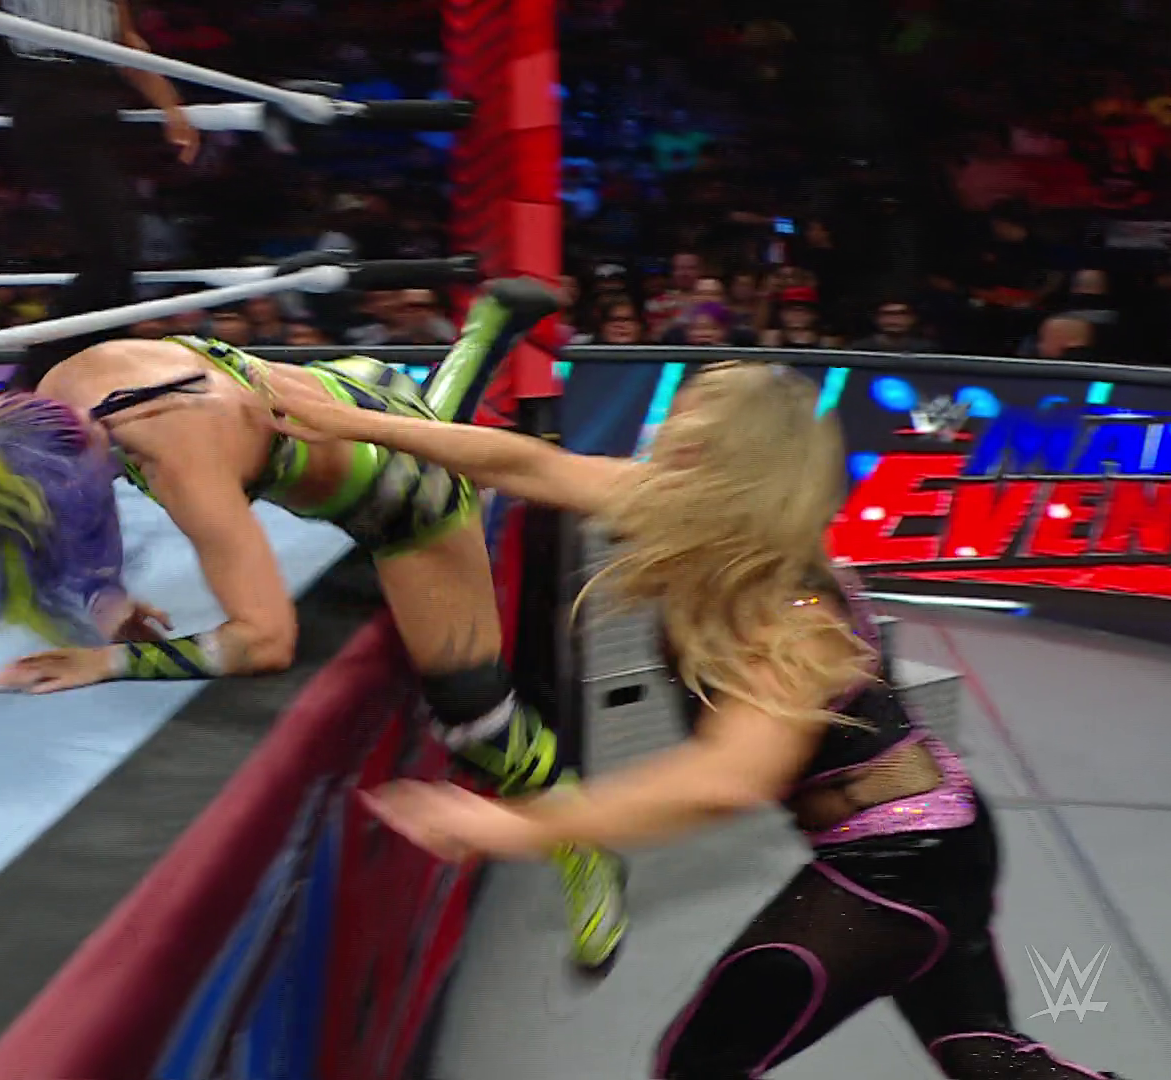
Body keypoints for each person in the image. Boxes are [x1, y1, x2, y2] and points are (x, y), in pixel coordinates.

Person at [267, 362, 1125, 1079]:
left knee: (701, 1065)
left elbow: (727, 776)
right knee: (983, 1054)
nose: (662, 442)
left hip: (896, 865)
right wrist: (358, 424)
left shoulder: (779, 607)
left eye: (689, 434)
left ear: (732, 462)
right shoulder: (690, 508)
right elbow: (524, 463)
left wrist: (520, 826)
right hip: (944, 834)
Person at [0, 279, 629, 973]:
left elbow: (264, 640)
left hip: (403, 492)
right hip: (351, 385)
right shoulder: (63, 389)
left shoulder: (181, 460)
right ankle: (483, 332)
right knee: (408, 415)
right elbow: (76, 495)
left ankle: (585, 840)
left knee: (471, 710)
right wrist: (106, 595)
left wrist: (108, 662)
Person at [0, 0, 200, 392]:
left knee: (120, 251)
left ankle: (94, 374)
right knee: (112, 252)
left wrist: (171, 108)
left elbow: (126, 41)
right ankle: (34, 378)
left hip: (98, 99)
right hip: (48, 91)